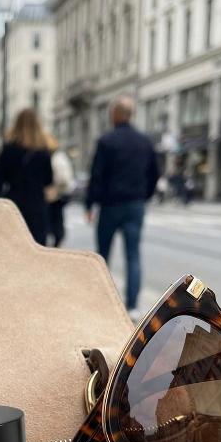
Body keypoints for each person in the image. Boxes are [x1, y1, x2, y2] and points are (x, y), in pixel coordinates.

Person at [85, 95, 159, 317]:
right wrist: (144, 195)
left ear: (115, 115)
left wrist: (90, 204)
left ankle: (101, 301)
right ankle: (133, 306)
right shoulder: (144, 141)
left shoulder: (106, 141)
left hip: (110, 205)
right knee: (133, 256)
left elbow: (96, 176)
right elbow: (154, 173)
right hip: (135, 204)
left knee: (103, 256)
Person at [0, 109, 54, 244]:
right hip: (37, 205)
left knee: (14, 246)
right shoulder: (43, 152)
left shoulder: (9, 149)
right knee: (37, 247)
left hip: (14, 205)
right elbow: (48, 180)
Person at [45, 135, 75, 248]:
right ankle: (57, 241)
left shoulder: (56, 159)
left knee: (54, 220)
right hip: (60, 193)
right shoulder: (60, 157)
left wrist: (53, 186)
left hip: (55, 194)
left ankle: (56, 242)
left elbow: (62, 179)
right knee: (57, 220)